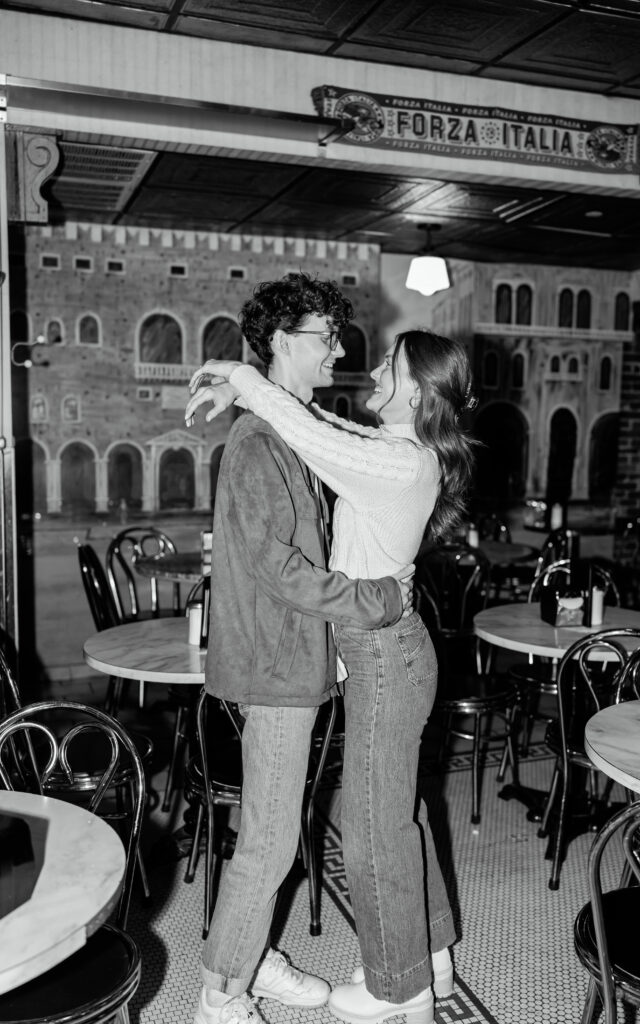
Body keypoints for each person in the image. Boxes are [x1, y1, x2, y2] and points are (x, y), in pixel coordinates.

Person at [186, 327, 477, 1024]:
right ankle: (429, 955)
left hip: (384, 653)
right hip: (384, 648)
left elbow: (308, 432)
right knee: (379, 813)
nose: (368, 367)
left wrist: (239, 374)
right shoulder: (392, 449)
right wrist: (252, 387)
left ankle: (397, 987)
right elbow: (319, 422)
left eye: (388, 364)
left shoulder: (399, 464)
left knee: (374, 826)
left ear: (415, 390)